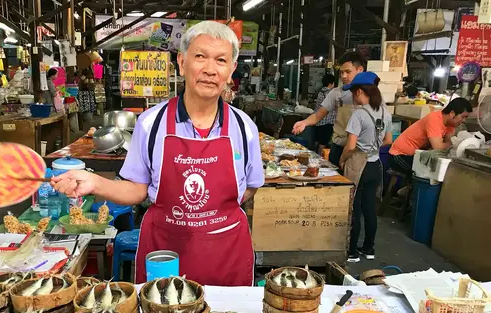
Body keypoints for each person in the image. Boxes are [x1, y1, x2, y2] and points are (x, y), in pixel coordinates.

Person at [52, 21, 264, 286]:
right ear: (182, 62)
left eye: (221, 60)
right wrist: (95, 182)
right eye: (200, 57)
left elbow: (250, 187)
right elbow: (138, 190)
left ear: (232, 69)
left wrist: (209, 217)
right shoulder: (152, 123)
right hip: (166, 252)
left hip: (226, 252)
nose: (210, 70)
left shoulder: (245, 128)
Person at [339, 72, 393, 263]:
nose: (353, 97)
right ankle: (369, 248)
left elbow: (351, 146)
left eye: (353, 93)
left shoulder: (359, 114)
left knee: (354, 208)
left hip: (358, 165)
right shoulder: (386, 113)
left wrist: (343, 160)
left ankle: (352, 251)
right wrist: (373, 147)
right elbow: (388, 140)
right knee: (370, 208)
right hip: (375, 165)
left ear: (360, 91)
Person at [292, 52, 365, 167]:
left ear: (360, 70)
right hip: (338, 147)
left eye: (348, 72)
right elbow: (318, 115)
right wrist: (304, 122)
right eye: (341, 72)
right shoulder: (336, 93)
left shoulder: (371, 94)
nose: (344, 76)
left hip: (361, 152)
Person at [389, 97, 472, 175]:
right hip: (400, 155)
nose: (464, 121)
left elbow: (448, 143)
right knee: (422, 174)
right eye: (463, 117)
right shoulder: (435, 119)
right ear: (452, 113)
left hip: (417, 155)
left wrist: (453, 143)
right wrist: (456, 143)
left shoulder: (451, 125)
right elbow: (438, 147)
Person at [313, 73, 336, 153]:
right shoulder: (329, 93)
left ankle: (314, 155)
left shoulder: (321, 91)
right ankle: (319, 158)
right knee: (323, 143)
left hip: (318, 121)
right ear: (330, 83)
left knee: (317, 141)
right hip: (326, 122)